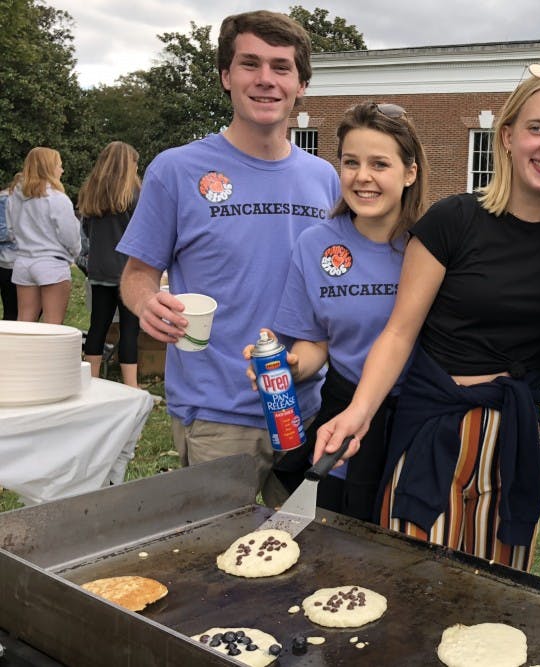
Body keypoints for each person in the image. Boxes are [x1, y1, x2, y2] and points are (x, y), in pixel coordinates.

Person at [313, 66, 540, 570]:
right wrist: (360, 411)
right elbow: (400, 331)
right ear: (506, 136)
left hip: (512, 435)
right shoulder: (452, 220)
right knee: (411, 582)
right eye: (536, 128)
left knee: (495, 593)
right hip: (434, 427)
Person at [118, 10, 341, 503]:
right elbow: (136, 275)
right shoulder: (176, 170)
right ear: (225, 76)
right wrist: (146, 303)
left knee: (300, 557)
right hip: (216, 414)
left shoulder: (325, 178)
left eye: (281, 67)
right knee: (216, 567)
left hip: (307, 409)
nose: (266, 80)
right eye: (250, 64)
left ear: (301, 84)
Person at [244, 100, 429, 521]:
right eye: (351, 162)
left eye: (379, 164)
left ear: (410, 172)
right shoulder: (315, 245)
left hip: (421, 421)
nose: (362, 177)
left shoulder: (434, 243)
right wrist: (290, 368)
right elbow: (315, 343)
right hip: (344, 422)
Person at [77, 141, 143, 388]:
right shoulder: (135, 195)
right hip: (128, 271)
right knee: (129, 329)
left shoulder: (91, 193)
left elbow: (85, 229)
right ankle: (131, 386)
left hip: (99, 269)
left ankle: (91, 382)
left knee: (98, 326)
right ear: (129, 165)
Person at [7, 148, 81, 324]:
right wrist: (75, 253)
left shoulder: (14, 197)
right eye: (59, 166)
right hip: (52, 263)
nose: (61, 171)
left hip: (23, 262)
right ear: (49, 168)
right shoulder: (57, 198)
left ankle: (20, 353)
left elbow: (11, 231)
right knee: (53, 325)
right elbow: (70, 235)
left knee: (24, 322)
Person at [0, 174, 20, 320]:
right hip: (9, 262)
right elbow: (2, 233)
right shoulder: (5, 200)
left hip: (20, 262)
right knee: (12, 313)